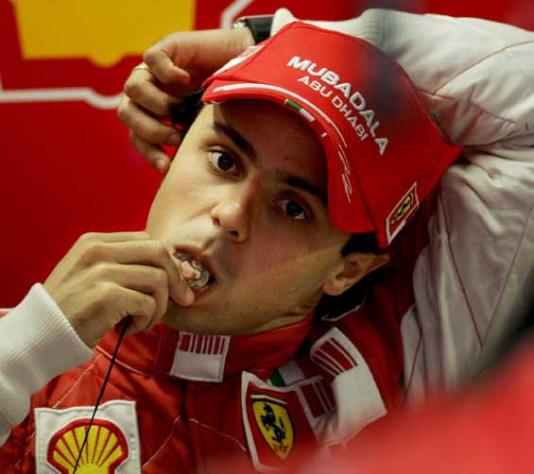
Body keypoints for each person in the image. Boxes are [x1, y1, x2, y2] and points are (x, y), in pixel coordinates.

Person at [0, 9, 533, 473]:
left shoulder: (407, 359)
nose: (231, 213)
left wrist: (272, 39)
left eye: (293, 208)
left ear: (348, 268)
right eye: (223, 160)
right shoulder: (24, 355)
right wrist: (23, 349)